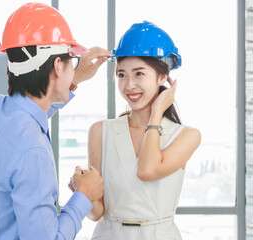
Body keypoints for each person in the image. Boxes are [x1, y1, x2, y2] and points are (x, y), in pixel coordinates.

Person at [0, 3, 113, 239]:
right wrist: (83, 196)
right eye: (71, 61)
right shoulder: (33, 151)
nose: (73, 67)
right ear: (58, 66)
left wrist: (74, 77)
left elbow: (26, 117)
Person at [70, 21, 201, 239]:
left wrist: (158, 110)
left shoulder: (187, 136)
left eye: (139, 74)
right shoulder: (100, 131)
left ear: (162, 77)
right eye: (122, 75)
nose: (129, 85)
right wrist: (81, 190)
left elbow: (146, 170)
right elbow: (97, 213)